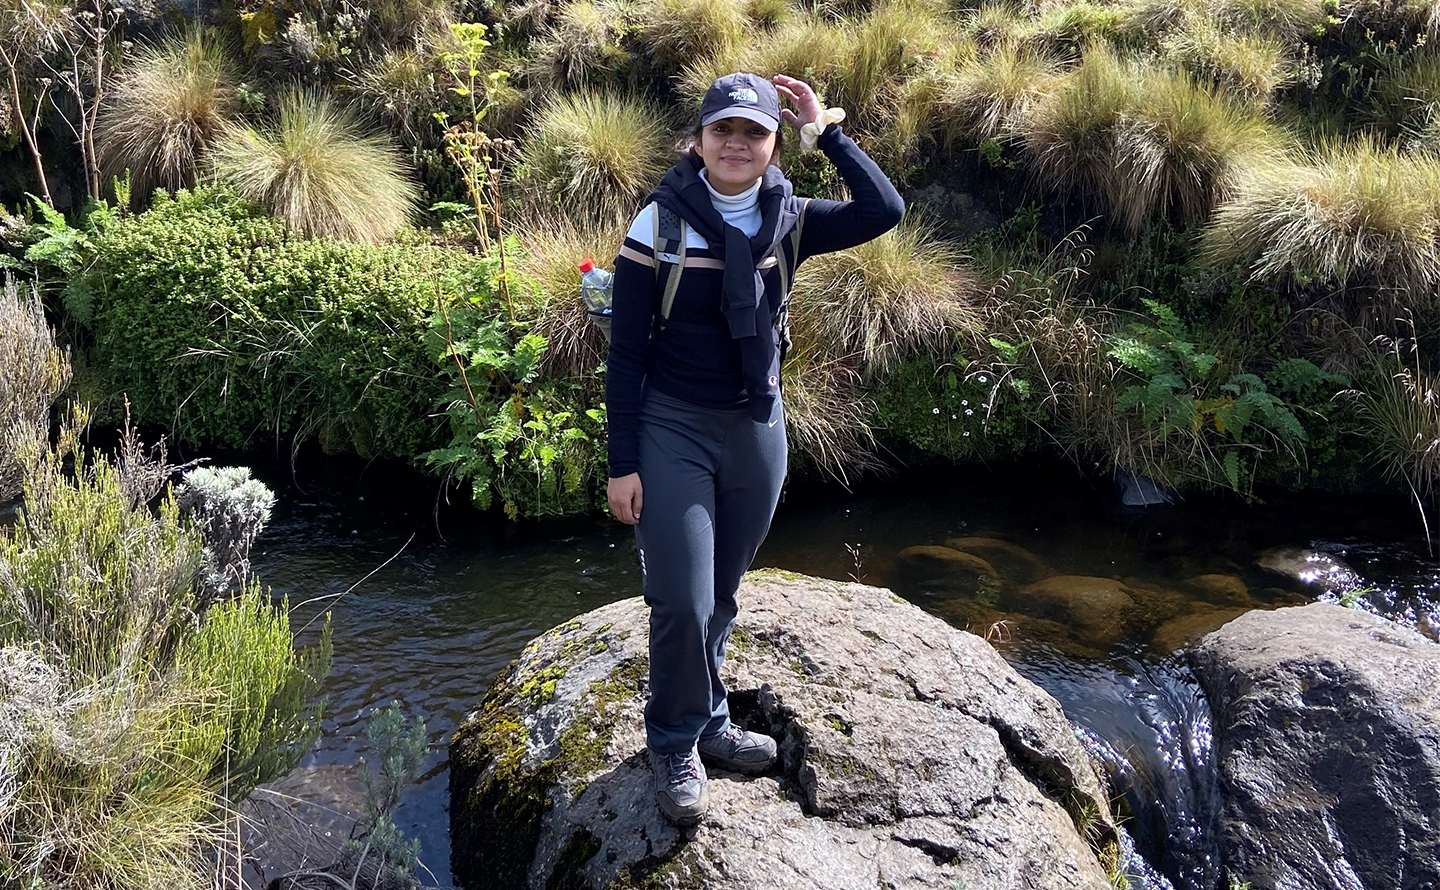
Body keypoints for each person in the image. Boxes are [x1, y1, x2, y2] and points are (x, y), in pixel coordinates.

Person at [605, 71, 904, 825]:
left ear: (773, 145)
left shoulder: (793, 219)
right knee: (682, 597)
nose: (736, 144)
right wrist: (622, 462)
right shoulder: (658, 226)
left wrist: (824, 129)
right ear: (699, 140)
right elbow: (627, 356)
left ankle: (707, 721)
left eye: (754, 132)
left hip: (757, 429)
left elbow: (884, 209)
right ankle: (674, 741)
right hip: (672, 427)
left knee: (724, 593)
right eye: (722, 131)